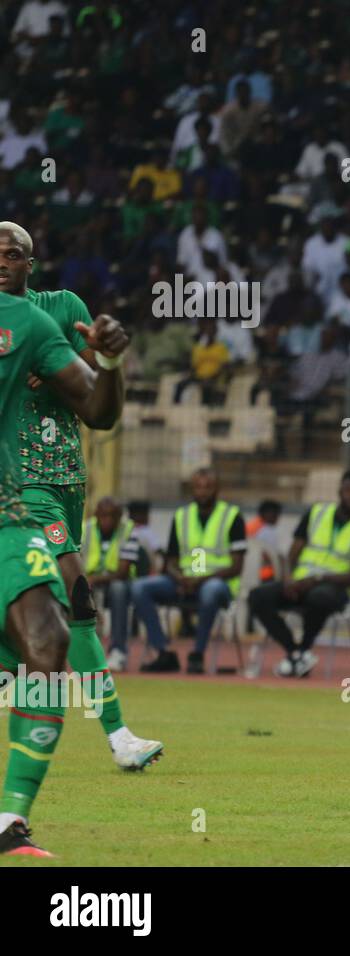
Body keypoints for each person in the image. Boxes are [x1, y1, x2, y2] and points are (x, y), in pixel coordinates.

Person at [0, 221, 163, 775]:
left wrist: (102, 363)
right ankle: (119, 735)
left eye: (14, 253)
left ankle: (31, 685)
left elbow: (94, 401)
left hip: (68, 477)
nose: (3, 262)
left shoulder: (58, 307)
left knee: (67, 614)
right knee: (77, 594)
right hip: (22, 487)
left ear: (31, 264)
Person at [248, 472, 350, 678]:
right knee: (257, 596)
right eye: (348, 490)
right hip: (299, 582)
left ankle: (302, 650)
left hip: (335, 588)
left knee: (319, 597)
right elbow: (293, 552)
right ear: (339, 491)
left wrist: (317, 580)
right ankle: (296, 652)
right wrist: (288, 578)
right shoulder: (316, 513)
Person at [131, 468, 246, 674]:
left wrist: (201, 580)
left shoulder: (232, 516)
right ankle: (162, 651)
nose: (203, 492)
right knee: (140, 588)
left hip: (219, 585)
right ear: (192, 490)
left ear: (217, 489)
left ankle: (197, 654)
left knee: (210, 591)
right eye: (198, 487)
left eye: (208, 487)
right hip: (182, 582)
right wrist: (179, 577)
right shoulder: (182, 516)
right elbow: (172, 560)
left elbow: (237, 567)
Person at [83, 497, 149, 672]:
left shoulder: (129, 530)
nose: (107, 520)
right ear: (96, 515)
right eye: (103, 516)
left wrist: (94, 579)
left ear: (120, 517)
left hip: (121, 582)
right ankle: (86, 651)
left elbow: (123, 571)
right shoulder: (85, 529)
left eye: (112, 516)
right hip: (89, 581)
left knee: (118, 589)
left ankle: (118, 651)